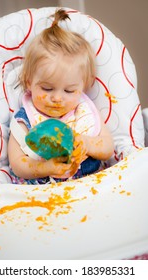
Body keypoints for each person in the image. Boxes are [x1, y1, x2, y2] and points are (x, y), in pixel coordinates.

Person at [8, 9, 114, 185]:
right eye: (47, 88)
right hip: (44, 195)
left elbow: (108, 148)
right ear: (28, 82)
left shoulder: (83, 113)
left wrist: (86, 144)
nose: (57, 98)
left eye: (69, 91)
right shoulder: (26, 120)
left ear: (83, 87)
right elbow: (17, 164)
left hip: (91, 187)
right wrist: (45, 167)